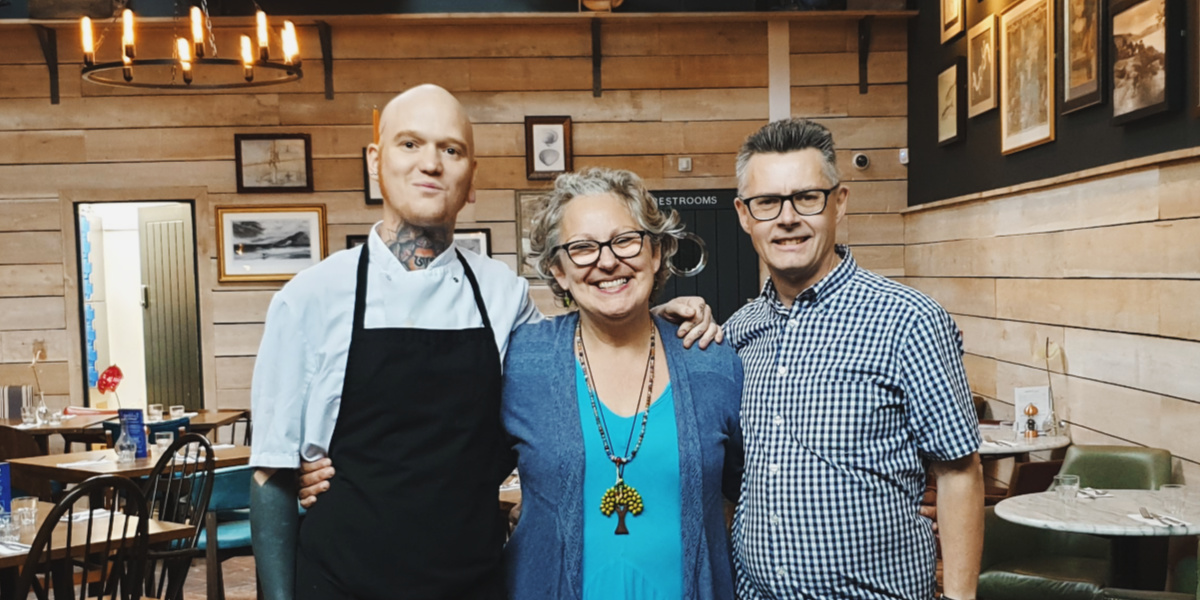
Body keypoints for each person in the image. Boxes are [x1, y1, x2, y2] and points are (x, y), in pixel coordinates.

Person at [249, 84, 720, 600]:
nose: (431, 163)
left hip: (472, 581)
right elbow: (271, 473)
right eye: (410, 144)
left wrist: (652, 319)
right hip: (341, 582)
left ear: (471, 178)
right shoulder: (310, 297)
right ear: (375, 162)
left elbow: (577, 348)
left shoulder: (502, 295)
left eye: (450, 149)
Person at [725, 118, 984, 600]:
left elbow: (959, 472)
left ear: (839, 202)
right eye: (767, 202)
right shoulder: (739, 332)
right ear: (745, 214)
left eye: (807, 197)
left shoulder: (909, 321)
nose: (787, 218)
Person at [501, 168, 744, 599]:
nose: (608, 261)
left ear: (656, 253)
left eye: (625, 240)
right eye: (582, 248)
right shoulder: (523, 361)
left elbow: (745, 493)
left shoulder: (711, 362)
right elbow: (461, 477)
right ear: (558, 271)